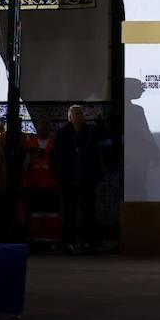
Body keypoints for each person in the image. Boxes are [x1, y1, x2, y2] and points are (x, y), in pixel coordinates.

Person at [52, 104, 102, 253]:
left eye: (81, 114)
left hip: (87, 178)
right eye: (76, 114)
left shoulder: (90, 131)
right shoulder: (62, 133)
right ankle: (68, 242)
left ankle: (88, 242)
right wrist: (58, 174)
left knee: (88, 212)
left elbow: (97, 153)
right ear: (70, 117)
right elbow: (56, 156)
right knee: (68, 213)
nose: (79, 117)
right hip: (69, 179)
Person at [22, 117, 62, 248]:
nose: (43, 128)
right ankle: (35, 240)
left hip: (51, 185)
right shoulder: (30, 144)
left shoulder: (55, 143)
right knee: (35, 213)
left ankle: (51, 241)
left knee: (51, 213)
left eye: (46, 126)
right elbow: (25, 165)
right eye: (41, 126)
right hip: (34, 185)